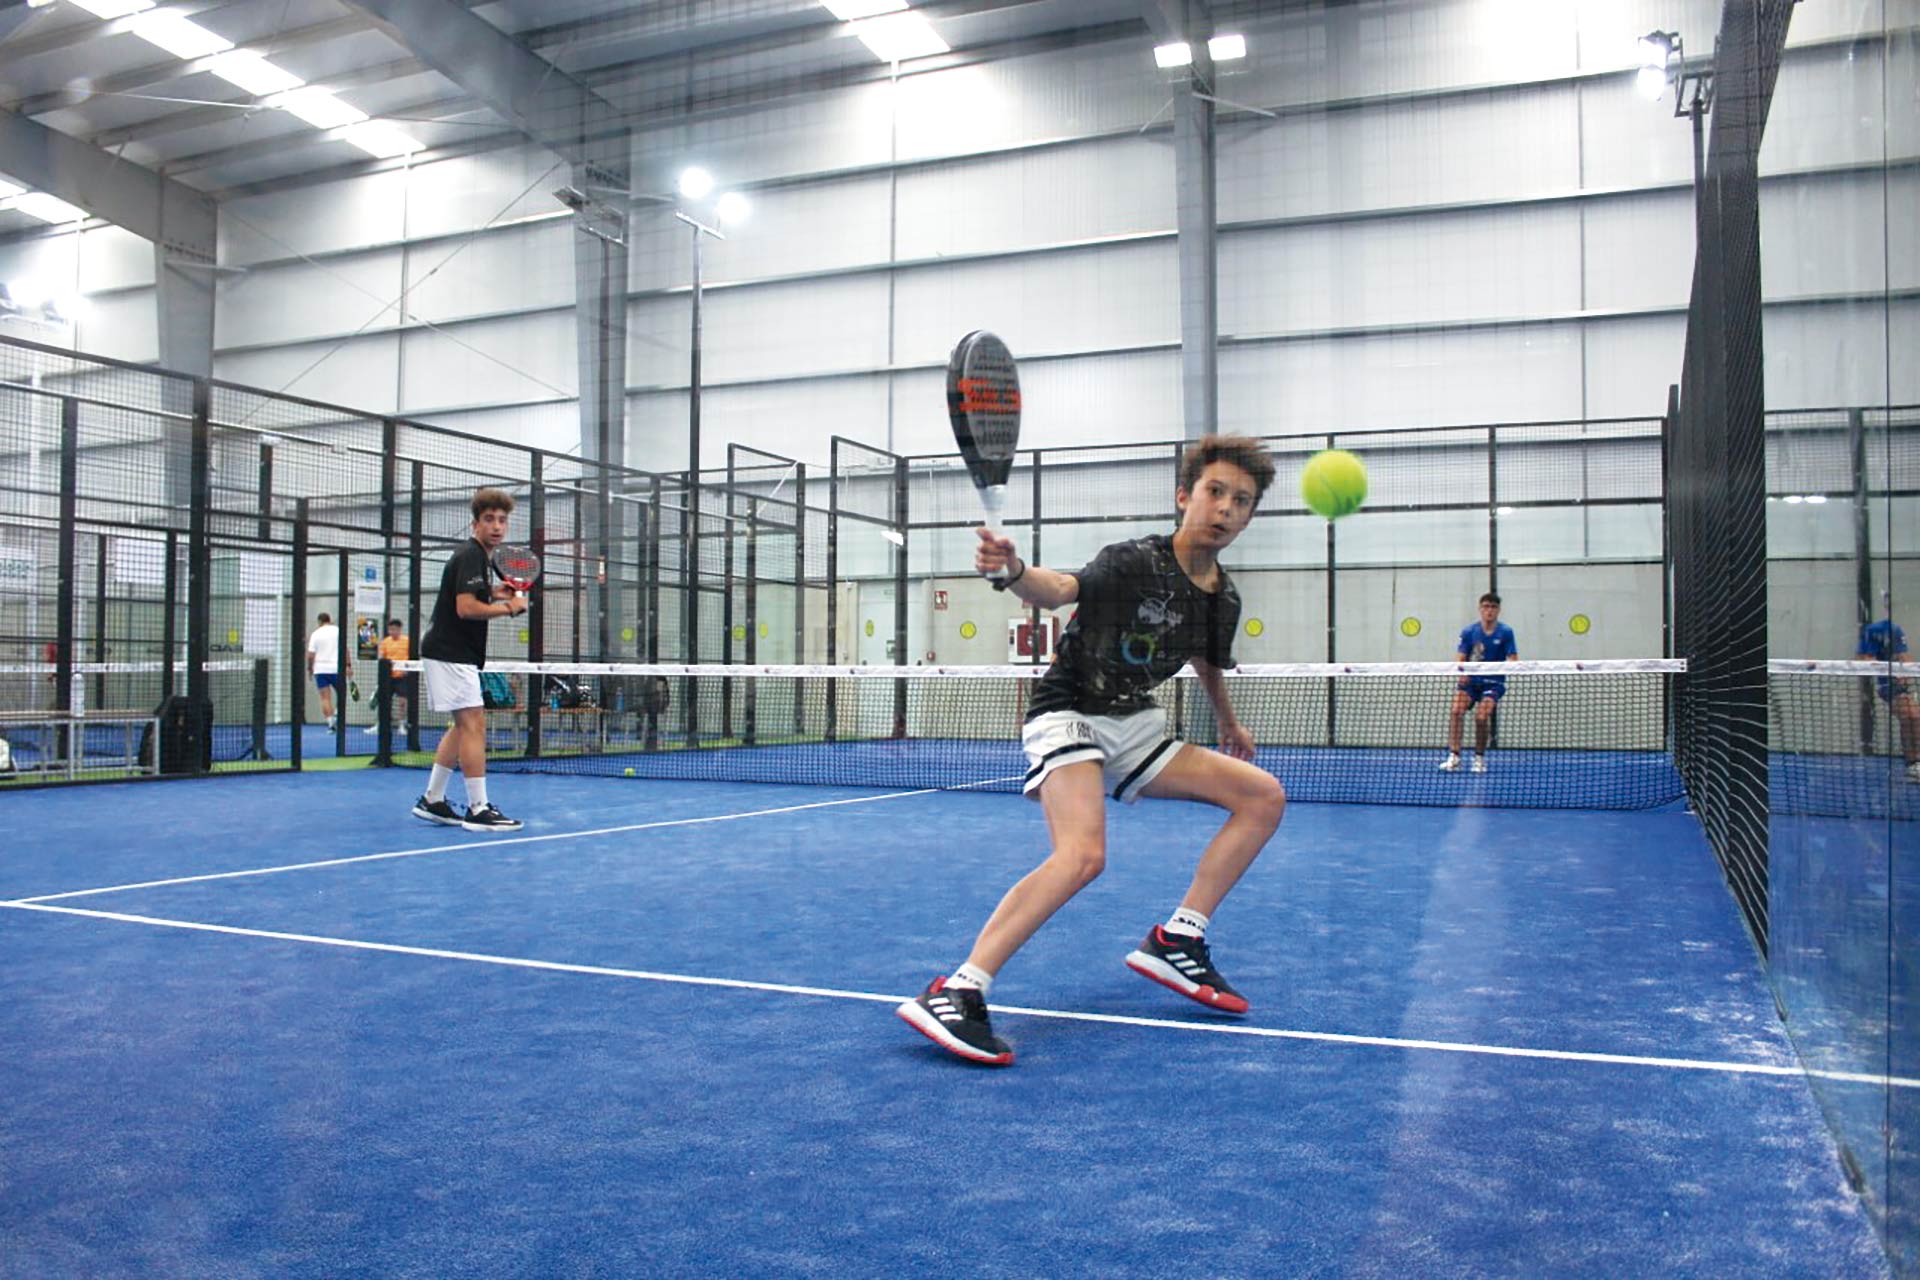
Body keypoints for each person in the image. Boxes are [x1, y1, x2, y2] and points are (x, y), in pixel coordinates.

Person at [896, 435, 1288, 1066]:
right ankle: (957, 990)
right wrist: (1013, 572)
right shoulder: (1134, 561)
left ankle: (1178, 939)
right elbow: (1058, 590)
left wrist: (1229, 724)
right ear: (1185, 496)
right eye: (1215, 492)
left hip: (1136, 724)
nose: (1225, 509)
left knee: (1262, 797)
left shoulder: (1223, 598)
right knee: (1082, 856)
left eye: (1241, 501)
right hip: (1070, 710)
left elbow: (1206, 661)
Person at [410, 487, 529, 832]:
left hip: (449, 653)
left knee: (462, 727)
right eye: (489, 519)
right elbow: (465, 608)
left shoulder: (479, 558)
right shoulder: (471, 555)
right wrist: (508, 607)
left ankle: (432, 800)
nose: (497, 526)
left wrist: (493, 592)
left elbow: (465, 595)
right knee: (474, 724)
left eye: (502, 520)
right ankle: (478, 809)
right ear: (475, 524)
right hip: (451, 653)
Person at [1439, 592, 1518, 774]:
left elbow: (1513, 658)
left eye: (1493, 607)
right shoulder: (1469, 632)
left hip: (1493, 683)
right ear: (1480, 609)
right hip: (1470, 682)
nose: (1489, 611)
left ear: (1498, 610)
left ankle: (1479, 758)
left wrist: (1508, 669)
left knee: (1481, 717)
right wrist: (1463, 672)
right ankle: (1454, 756)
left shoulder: (1506, 632)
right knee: (1456, 711)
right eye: (1486, 607)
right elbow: (1461, 657)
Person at [1858, 616, 1920, 783]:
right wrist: (1885, 669)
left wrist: (1906, 672)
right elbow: (1864, 660)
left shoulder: (1896, 632)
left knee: (1913, 717)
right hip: (1885, 685)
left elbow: (1905, 656)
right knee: (1911, 716)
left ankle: (1914, 763)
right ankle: (1913, 763)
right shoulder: (1872, 632)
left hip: (1901, 686)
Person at [306, 612, 349, 730]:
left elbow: (310, 655)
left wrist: (310, 669)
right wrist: (348, 666)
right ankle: (337, 713)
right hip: (336, 669)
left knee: (325, 698)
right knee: (342, 694)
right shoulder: (338, 631)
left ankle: (331, 723)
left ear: (319, 622)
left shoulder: (315, 634)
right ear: (329, 620)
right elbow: (345, 649)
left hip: (320, 670)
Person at [376, 618, 413, 731]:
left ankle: (401, 725)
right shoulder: (385, 642)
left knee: (402, 702)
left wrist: (407, 669)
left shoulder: (407, 641)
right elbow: (381, 657)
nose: (393, 632)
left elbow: (413, 657)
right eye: (391, 629)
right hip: (388, 678)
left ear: (400, 629)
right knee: (384, 701)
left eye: (395, 629)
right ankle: (380, 725)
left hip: (402, 677)